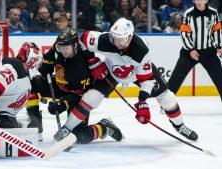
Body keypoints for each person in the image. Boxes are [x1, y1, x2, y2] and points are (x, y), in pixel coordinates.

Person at [53, 18, 198, 142]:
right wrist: (92, 60)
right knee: (91, 97)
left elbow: (146, 80)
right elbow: (82, 39)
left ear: (129, 37)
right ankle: (67, 128)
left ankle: (180, 126)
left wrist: (142, 102)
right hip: (112, 72)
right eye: (114, 37)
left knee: (167, 98)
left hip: (136, 74)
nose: (116, 42)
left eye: (120, 38)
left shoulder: (141, 50)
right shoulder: (104, 41)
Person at [27, 27, 124, 144]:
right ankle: (35, 123)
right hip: (60, 85)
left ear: (75, 46)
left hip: (78, 96)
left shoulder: (81, 65)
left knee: (79, 136)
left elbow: (80, 94)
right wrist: (45, 67)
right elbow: (48, 59)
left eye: (66, 48)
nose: (63, 51)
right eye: (61, 47)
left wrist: (63, 104)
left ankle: (104, 127)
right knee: (32, 83)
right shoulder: (59, 47)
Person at [168, 0, 222, 101]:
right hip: (188, 53)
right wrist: (191, 49)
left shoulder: (213, 13)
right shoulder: (189, 13)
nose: (199, 1)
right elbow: (184, 33)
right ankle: (166, 104)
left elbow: (217, 31)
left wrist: (219, 46)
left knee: (220, 78)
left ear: (206, 1)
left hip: (208, 52)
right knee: (175, 79)